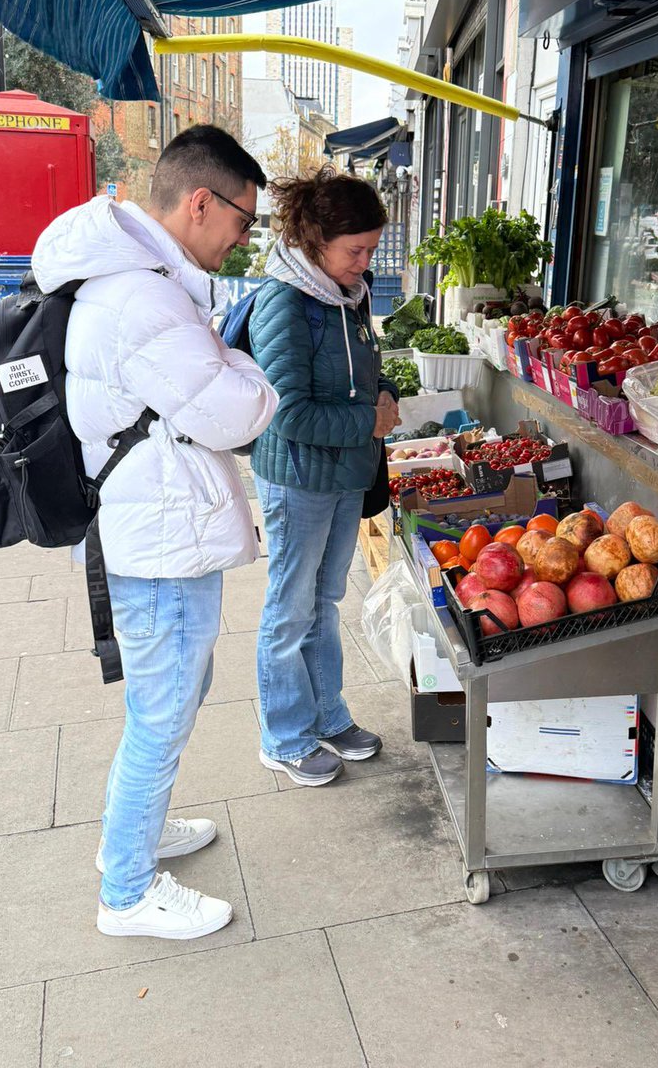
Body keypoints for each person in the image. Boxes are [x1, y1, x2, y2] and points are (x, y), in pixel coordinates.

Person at [31, 126, 279, 940]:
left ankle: (130, 836)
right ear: (200, 201)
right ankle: (129, 891)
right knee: (165, 710)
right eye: (243, 221)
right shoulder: (145, 297)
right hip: (159, 537)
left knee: (165, 698)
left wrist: (220, 360)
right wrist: (247, 370)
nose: (243, 241)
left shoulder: (135, 280)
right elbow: (236, 410)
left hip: (154, 524)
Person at [248, 166, 399, 786]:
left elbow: (366, 370)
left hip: (342, 477)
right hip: (297, 480)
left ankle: (329, 718)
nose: (364, 264)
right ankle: (284, 736)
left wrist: (382, 397)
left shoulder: (347, 296)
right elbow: (288, 411)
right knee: (290, 608)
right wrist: (369, 422)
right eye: (354, 251)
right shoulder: (285, 302)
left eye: (370, 250)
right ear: (315, 242)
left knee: (325, 602)